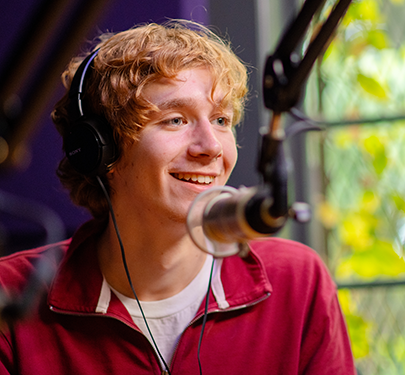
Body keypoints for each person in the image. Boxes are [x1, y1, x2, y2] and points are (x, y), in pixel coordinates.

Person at [0, 20, 356, 374]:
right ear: (101, 151)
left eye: (221, 120)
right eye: (175, 120)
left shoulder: (297, 281)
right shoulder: (12, 296)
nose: (212, 147)